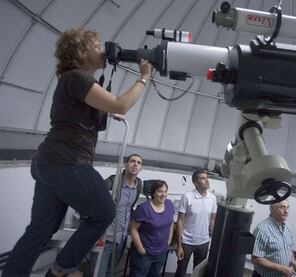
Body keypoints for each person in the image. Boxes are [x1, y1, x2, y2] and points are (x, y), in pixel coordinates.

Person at [2, 28, 152, 277]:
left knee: (39, 232)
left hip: (49, 163)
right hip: (68, 163)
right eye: (96, 43)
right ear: (81, 51)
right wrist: (144, 77)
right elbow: (121, 104)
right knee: (104, 212)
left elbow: (90, 111)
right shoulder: (78, 79)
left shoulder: (72, 81)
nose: (102, 47)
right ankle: (62, 269)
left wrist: (104, 111)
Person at [90, 153, 144, 277]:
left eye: (138, 163)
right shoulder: (112, 183)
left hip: (121, 239)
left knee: (110, 272)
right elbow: (94, 204)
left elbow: (129, 209)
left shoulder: (138, 186)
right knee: (98, 273)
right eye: (132, 161)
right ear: (125, 164)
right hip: (105, 238)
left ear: (141, 168)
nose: (135, 164)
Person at [175, 170, 217, 277]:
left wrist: (214, 241)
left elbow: (212, 220)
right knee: (181, 271)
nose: (206, 180)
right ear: (195, 182)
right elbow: (180, 220)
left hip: (203, 242)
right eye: (202, 178)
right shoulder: (187, 196)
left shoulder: (212, 198)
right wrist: (179, 245)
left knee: (199, 272)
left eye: (207, 177)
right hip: (186, 242)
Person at [130, 180, 175, 277]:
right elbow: (133, 229)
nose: (163, 194)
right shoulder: (143, 208)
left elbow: (171, 223)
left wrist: (169, 241)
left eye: (165, 191)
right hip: (144, 253)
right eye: (160, 191)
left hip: (161, 252)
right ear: (153, 193)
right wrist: (141, 250)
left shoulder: (169, 204)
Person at [251, 199, 296, 277]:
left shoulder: (287, 227)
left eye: (287, 207)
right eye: (282, 207)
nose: (286, 211)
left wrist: (293, 261)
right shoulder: (262, 230)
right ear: (271, 209)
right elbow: (256, 258)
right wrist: (280, 268)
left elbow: (289, 249)